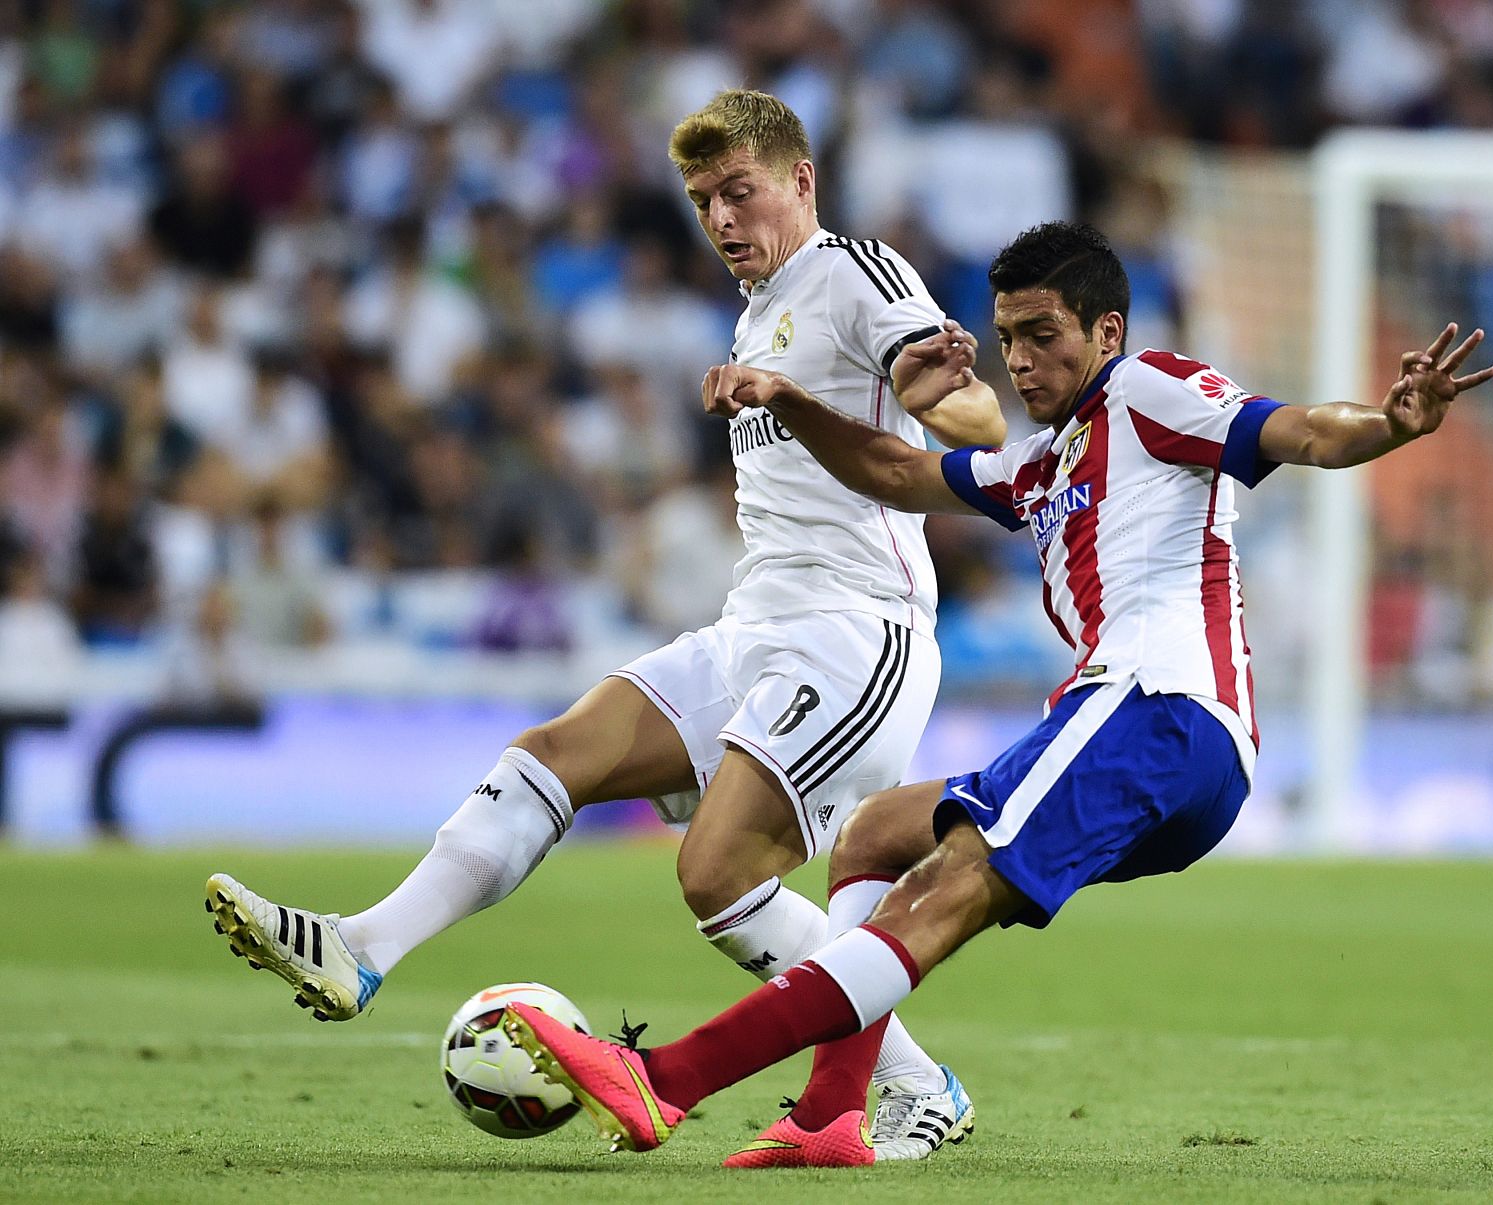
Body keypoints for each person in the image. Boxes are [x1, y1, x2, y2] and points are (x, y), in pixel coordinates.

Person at [488, 221, 1493, 1168]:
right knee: (878, 834)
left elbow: (1302, 431)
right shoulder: (1037, 462)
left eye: (1043, 335)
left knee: (942, 893)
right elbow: (894, 466)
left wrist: (1387, 424)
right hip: (1148, 736)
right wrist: (790, 402)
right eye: (1007, 336)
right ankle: (832, 1111)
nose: (1020, 361)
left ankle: (662, 1077)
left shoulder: (1148, 388)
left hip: (1156, 704)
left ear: (1106, 330)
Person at [202, 89, 1005, 1159]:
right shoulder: (758, 306)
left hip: (859, 633)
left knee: (716, 875)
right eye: (702, 200)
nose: (721, 219)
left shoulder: (855, 271)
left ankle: (913, 1079)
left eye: (740, 192)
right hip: (752, 625)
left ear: (800, 182)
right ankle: (359, 946)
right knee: (553, 752)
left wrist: (950, 400)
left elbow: (967, 411)